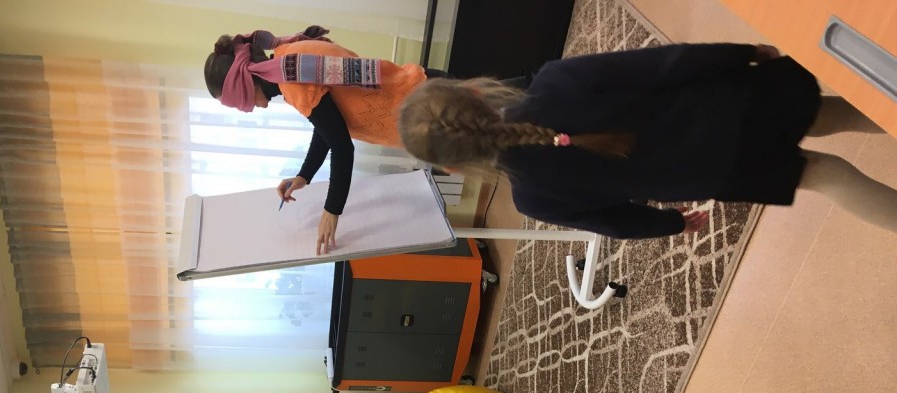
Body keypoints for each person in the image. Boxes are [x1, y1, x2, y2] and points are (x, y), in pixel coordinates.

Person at [397, 43, 897, 239]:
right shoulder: (555, 81)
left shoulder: (534, 199)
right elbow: (663, 66)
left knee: (829, 176)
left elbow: (616, 222)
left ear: (460, 166)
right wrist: (741, 53)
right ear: (474, 92)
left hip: (717, 171)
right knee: (830, 113)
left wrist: (672, 222)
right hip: (731, 106)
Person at [204, 27, 428, 255]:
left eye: (237, 103)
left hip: (423, 113)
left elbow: (342, 147)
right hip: (421, 96)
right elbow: (328, 127)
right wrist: (304, 175)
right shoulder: (288, 62)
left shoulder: (291, 82)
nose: (246, 110)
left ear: (245, 84)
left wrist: (331, 211)